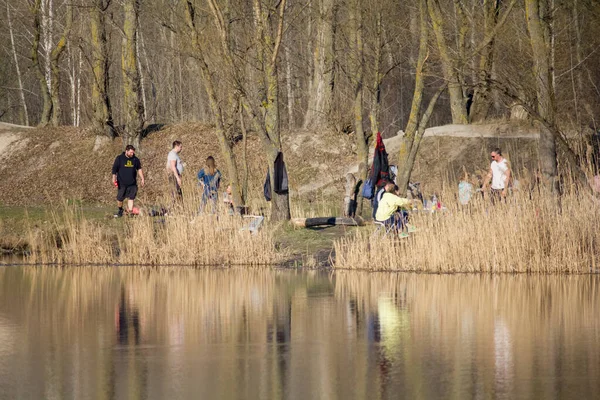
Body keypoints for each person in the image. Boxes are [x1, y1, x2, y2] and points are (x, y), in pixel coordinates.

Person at [112, 144, 144, 217]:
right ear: (126, 151)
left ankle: (130, 212)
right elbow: (114, 169)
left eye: (133, 152)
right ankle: (120, 210)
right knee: (119, 199)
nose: (132, 154)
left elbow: (139, 169)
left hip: (132, 183)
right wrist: (114, 178)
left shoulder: (135, 159)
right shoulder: (119, 158)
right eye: (130, 152)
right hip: (122, 183)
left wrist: (142, 178)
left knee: (131, 198)